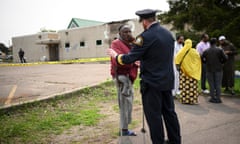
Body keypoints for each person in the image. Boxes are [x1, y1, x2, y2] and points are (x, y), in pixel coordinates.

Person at [107, 9, 181, 144]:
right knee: (170, 113)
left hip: (152, 84)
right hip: (167, 81)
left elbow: (129, 58)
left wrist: (115, 55)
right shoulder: (168, 34)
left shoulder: (144, 37)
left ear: (145, 21)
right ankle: (175, 140)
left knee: (154, 117)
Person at [110, 24, 139, 136]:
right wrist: (133, 62)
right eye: (125, 32)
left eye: (129, 31)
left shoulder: (131, 43)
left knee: (129, 103)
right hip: (122, 77)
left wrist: (134, 40)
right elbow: (116, 61)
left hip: (129, 77)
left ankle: (125, 129)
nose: (127, 34)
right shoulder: (116, 43)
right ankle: (124, 130)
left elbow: (141, 47)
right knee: (124, 104)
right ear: (120, 33)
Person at [175, 39, 201, 104]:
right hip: (192, 73)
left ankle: (184, 100)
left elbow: (176, 59)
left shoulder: (182, 51)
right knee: (192, 86)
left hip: (184, 72)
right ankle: (192, 100)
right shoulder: (195, 52)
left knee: (184, 86)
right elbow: (198, 60)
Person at [202, 38, 228, 103]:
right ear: (216, 43)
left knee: (211, 84)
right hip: (218, 69)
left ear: (210, 43)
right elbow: (225, 58)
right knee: (218, 84)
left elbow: (202, 59)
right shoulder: (220, 50)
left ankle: (212, 98)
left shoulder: (206, 51)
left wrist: (206, 62)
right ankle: (218, 98)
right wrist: (221, 62)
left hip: (209, 69)